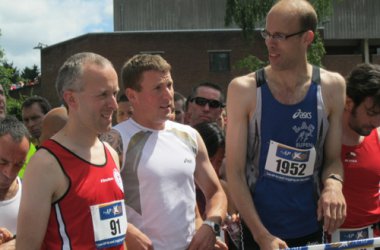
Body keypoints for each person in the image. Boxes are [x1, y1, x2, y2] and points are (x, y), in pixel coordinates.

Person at [226, 0, 347, 249]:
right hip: (259, 231)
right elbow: (235, 173)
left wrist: (334, 185)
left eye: (280, 35)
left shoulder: (332, 87)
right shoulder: (244, 89)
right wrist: (261, 235)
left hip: (310, 227)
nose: (270, 42)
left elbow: (333, 159)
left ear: (307, 38)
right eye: (267, 34)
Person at [101, 54, 227, 250]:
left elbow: (216, 193)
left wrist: (211, 226)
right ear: (132, 95)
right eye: (158, 88)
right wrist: (126, 230)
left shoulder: (190, 136)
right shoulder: (114, 140)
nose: (168, 95)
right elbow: (96, 202)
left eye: (169, 85)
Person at [16, 52, 127, 250]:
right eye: (103, 94)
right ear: (71, 99)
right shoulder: (46, 164)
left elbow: (117, 238)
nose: (114, 105)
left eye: (115, 93)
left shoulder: (110, 153)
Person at [331, 63, 380, 244]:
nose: (376, 122)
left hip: (372, 237)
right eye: (371, 113)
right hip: (326, 238)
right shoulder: (322, 135)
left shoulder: (378, 136)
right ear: (348, 103)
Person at [0, 116, 30, 249]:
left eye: (19, 165)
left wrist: (15, 243)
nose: (9, 172)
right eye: (2, 162)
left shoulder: (32, 195)